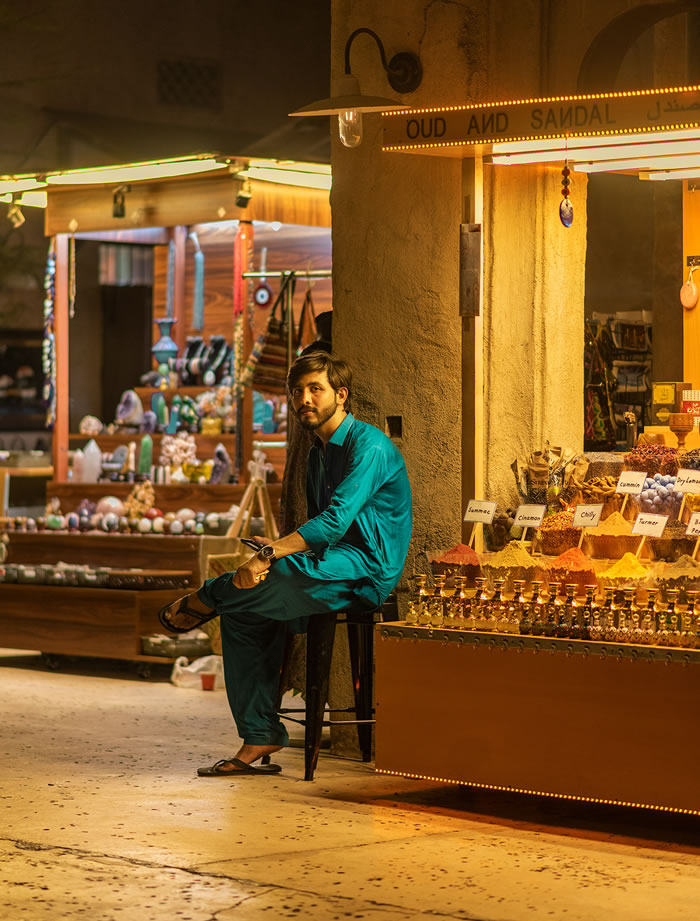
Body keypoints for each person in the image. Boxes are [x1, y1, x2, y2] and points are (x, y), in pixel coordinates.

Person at [159, 353, 413, 776]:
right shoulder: (317, 456)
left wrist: (270, 554)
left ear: (341, 396)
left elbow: (333, 523)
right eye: (298, 391)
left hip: (367, 570)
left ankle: (204, 600)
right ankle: (260, 734)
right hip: (328, 563)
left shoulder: (368, 446)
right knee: (241, 611)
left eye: (316, 389)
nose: (305, 399)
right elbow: (317, 532)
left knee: (244, 586)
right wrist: (273, 547)